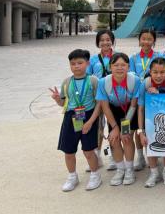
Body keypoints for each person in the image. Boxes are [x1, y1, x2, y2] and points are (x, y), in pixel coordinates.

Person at [50, 49, 102, 191]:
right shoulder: (67, 82)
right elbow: (63, 103)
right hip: (71, 117)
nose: (76, 66)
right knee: (68, 151)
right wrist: (57, 99)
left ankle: (95, 175)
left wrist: (91, 122)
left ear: (87, 63)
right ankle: (72, 176)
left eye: (80, 63)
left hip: (89, 115)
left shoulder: (93, 80)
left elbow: (99, 103)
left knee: (88, 150)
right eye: (73, 64)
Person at [96, 53, 141, 186]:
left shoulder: (135, 80)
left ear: (128, 66)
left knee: (126, 137)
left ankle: (129, 169)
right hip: (113, 111)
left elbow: (134, 105)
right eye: (116, 65)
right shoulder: (103, 82)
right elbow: (105, 107)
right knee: (114, 139)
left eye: (123, 65)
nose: (119, 68)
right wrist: (115, 128)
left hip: (130, 111)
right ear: (110, 67)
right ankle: (120, 169)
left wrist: (124, 129)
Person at [137, 58, 165, 187]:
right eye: (155, 72)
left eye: (162, 72)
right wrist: (141, 132)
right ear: (150, 72)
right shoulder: (145, 84)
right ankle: (154, 173)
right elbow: (140, 109)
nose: (158, 75)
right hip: (149, 119)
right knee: (149, 144)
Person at [128, 28, 159, 170]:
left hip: (153, 97)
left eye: (149, 39)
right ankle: (140, 157)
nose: (146, 42)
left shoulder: (158, 56)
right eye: (144, 39)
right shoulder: (133, 58)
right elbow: (131, 75)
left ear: (154, 41)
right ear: (139, 40)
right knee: (137, 128)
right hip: (137, 96)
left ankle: (152, 155)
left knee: (152, 127)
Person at [87, 29, 116, 170]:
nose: (105, 42)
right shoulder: (93, 59)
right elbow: (88, 77)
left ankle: (113, 157)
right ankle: (97, 157)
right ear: (98, 42)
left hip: (114, 97)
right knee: (98, 127)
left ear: (112, 41)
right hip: (97, 98)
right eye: (102, 40)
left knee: (113, 126)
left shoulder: (118, 57)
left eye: (108, 39)